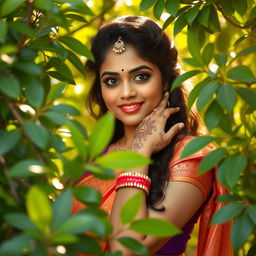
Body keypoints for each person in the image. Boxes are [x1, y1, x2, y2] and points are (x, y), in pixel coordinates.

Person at [72, 15, 233, 256]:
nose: (126, 92)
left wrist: (140, 151)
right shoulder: (98, 153)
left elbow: (125, 251)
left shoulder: (190, 158)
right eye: (112, 81)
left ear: (166, 79)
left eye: (141, 77)